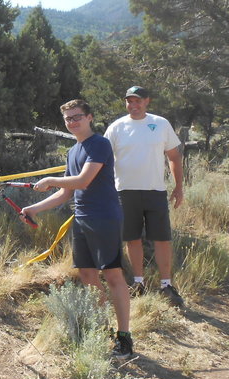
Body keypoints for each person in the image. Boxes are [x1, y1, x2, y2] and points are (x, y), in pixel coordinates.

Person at [21, 99, 133, 359]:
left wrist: (50, 180)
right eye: (68, 119)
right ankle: (102, 328)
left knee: (113, 275)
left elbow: (83, 180)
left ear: (89, 117)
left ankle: (124, 337)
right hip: (81, 218)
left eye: (77, 117)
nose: (72, 122)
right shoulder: (73, 152)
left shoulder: (100, 144)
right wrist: (34, 209)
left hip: (105, 217)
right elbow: (65, 193)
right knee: (86, 274)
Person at [104, 86, 184, 308]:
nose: (134, 105)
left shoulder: (160, 124)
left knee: (162, 239)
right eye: (129, 101)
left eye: (138, 101)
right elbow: (103, 160)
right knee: (132, 238)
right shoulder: (116, 127)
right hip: (124, 192)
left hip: (155, 190)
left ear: (147, 101)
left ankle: (166, 284)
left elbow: (174, 157)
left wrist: (179, 187)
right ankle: (138, 282)